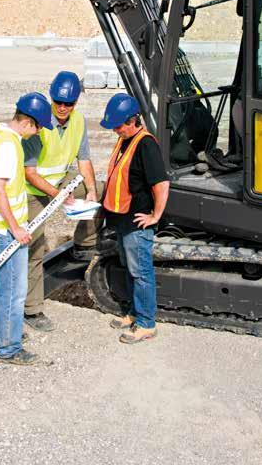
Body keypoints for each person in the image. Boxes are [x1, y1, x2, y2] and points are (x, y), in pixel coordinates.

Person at [22, 71, 104, 331]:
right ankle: (31, 310)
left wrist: (90, 190)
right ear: (51, 97)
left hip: (59, 181)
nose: (62, 107)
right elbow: (29, 173)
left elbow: (84, 160)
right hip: (32, 190)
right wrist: (57, 195)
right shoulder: (38, 123)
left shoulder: (78, 121)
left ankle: (85, 244)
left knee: (102, 191)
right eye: (58, 101)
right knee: (34, 247)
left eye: (68, 103)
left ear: (76, 102)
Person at [0, 92, 53, 365]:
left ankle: (0, 336)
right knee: (13, 290)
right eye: (39, 127)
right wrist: (16, 228)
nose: (38, 133)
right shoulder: (9, 146)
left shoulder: (2, 134)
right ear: (28, 123)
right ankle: (9, 349)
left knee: (1, 286)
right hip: (5, 230)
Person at [100, 93, 170, 344]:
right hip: (122, 219)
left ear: (133, 120)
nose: (116, 131)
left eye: (119, 126)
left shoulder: (146, 145)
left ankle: (146, 323)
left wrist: (156, 215)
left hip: (136, 224)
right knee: (130, 270)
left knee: (141, 272)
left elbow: (161, 184)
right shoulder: (125, 140)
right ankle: (133, 313)